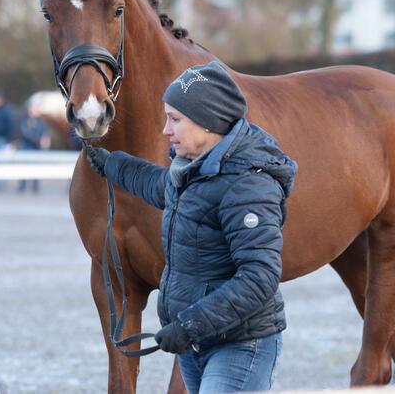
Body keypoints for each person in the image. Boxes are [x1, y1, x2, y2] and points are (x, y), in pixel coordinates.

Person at [86, 61, 297, 393]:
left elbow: (260, 277)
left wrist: (187, 326)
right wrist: (114, 164)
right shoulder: (191, 170)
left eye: (175, 120)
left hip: (239, 346)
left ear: (208, 123)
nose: (165, 130)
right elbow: (159, 186)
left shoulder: (248, 187)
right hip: (196, 341)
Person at [17, 106, 51, 194]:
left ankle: (35, 187)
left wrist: (45, 140)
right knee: (24, 167)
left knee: (37, 168)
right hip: (27, 147)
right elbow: (25, 133)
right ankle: (22, 186)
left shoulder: (42, 122)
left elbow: (45, 133)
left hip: (37, 149)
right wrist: (38, 140)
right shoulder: (25, 121)